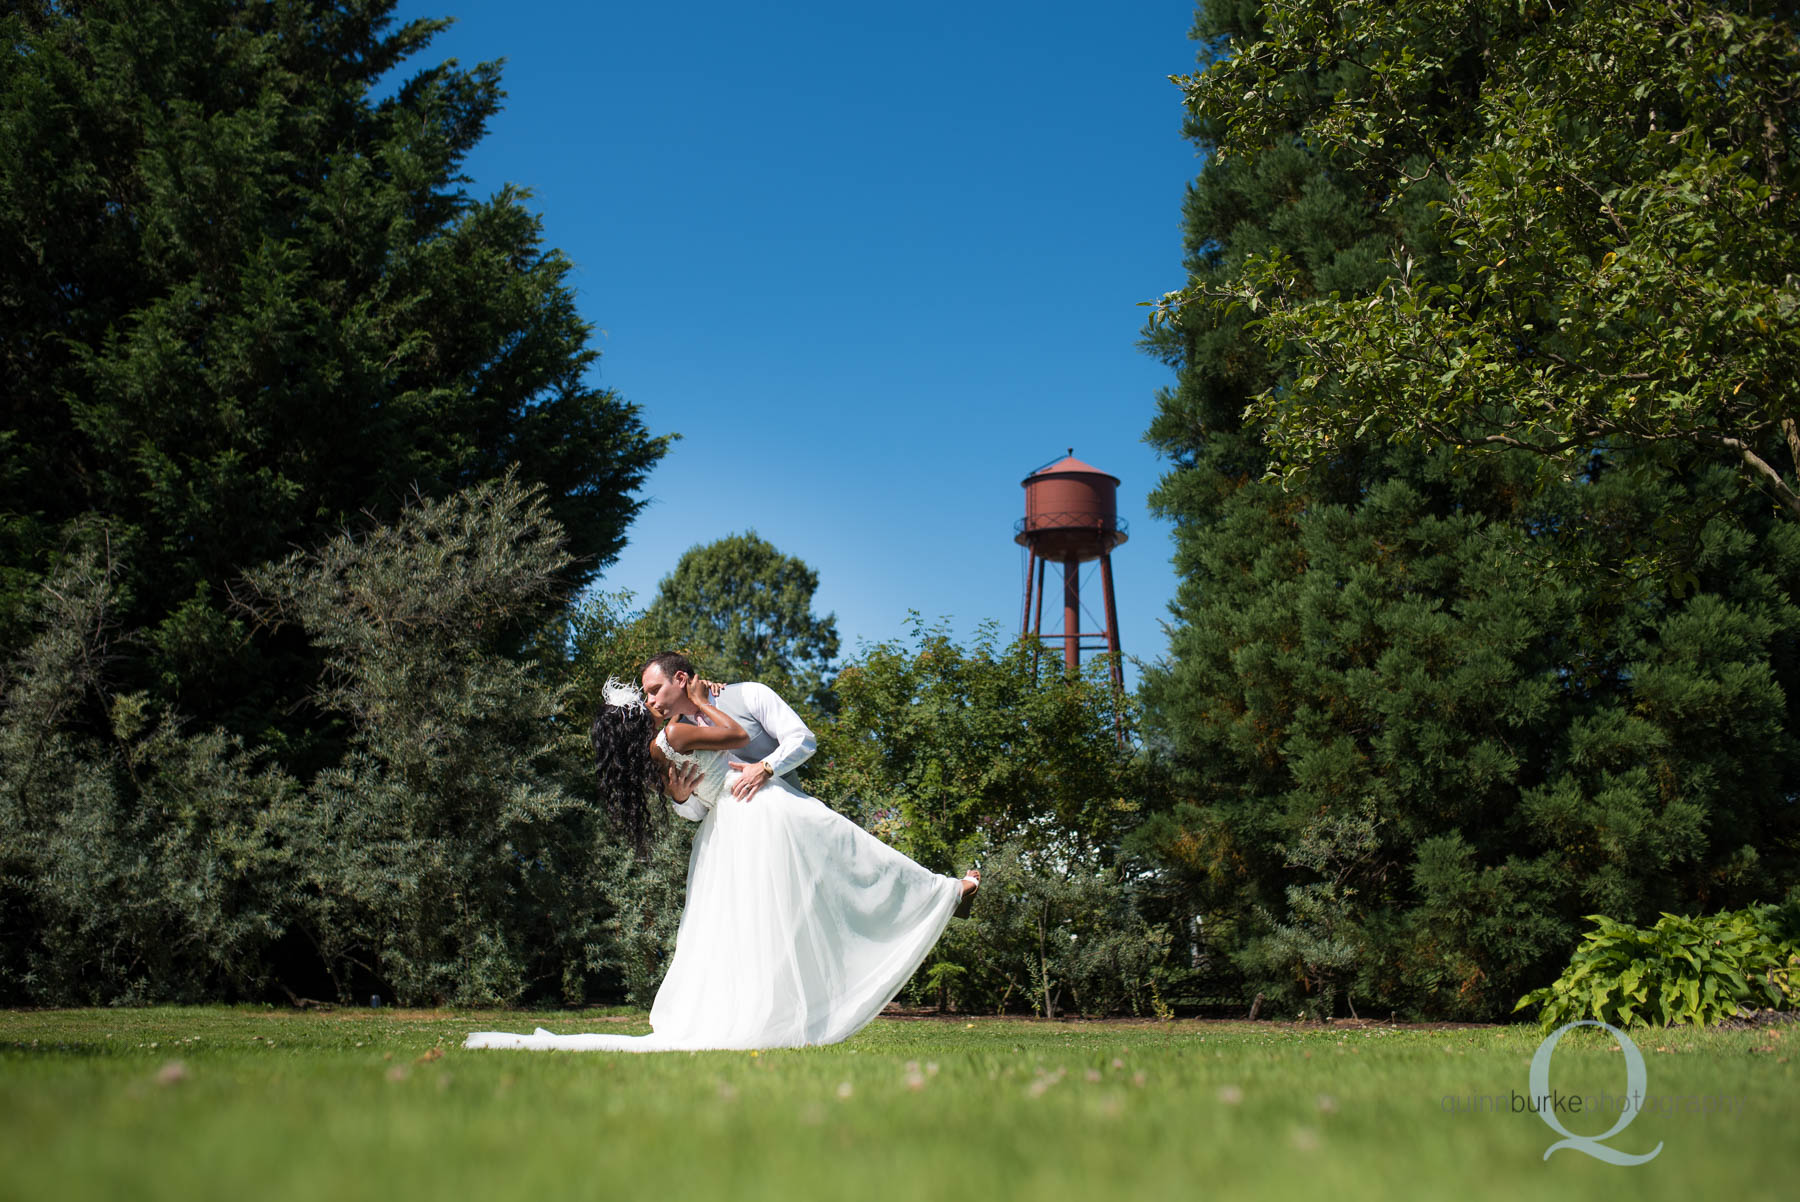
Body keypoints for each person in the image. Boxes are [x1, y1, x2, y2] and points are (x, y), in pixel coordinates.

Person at [464, 663, 978, 1053]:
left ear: (680, 680)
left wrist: (713, 781)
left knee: (792, 899)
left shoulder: (691, 729)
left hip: (741, 824)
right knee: (834, 864)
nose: (653, 700)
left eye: (654, 689)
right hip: (743, 821)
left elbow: (793, 741)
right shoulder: (673, 734)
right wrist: (684, 790)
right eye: (645, 697)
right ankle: (943, 894)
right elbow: (730, 745)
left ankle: (942, 894)